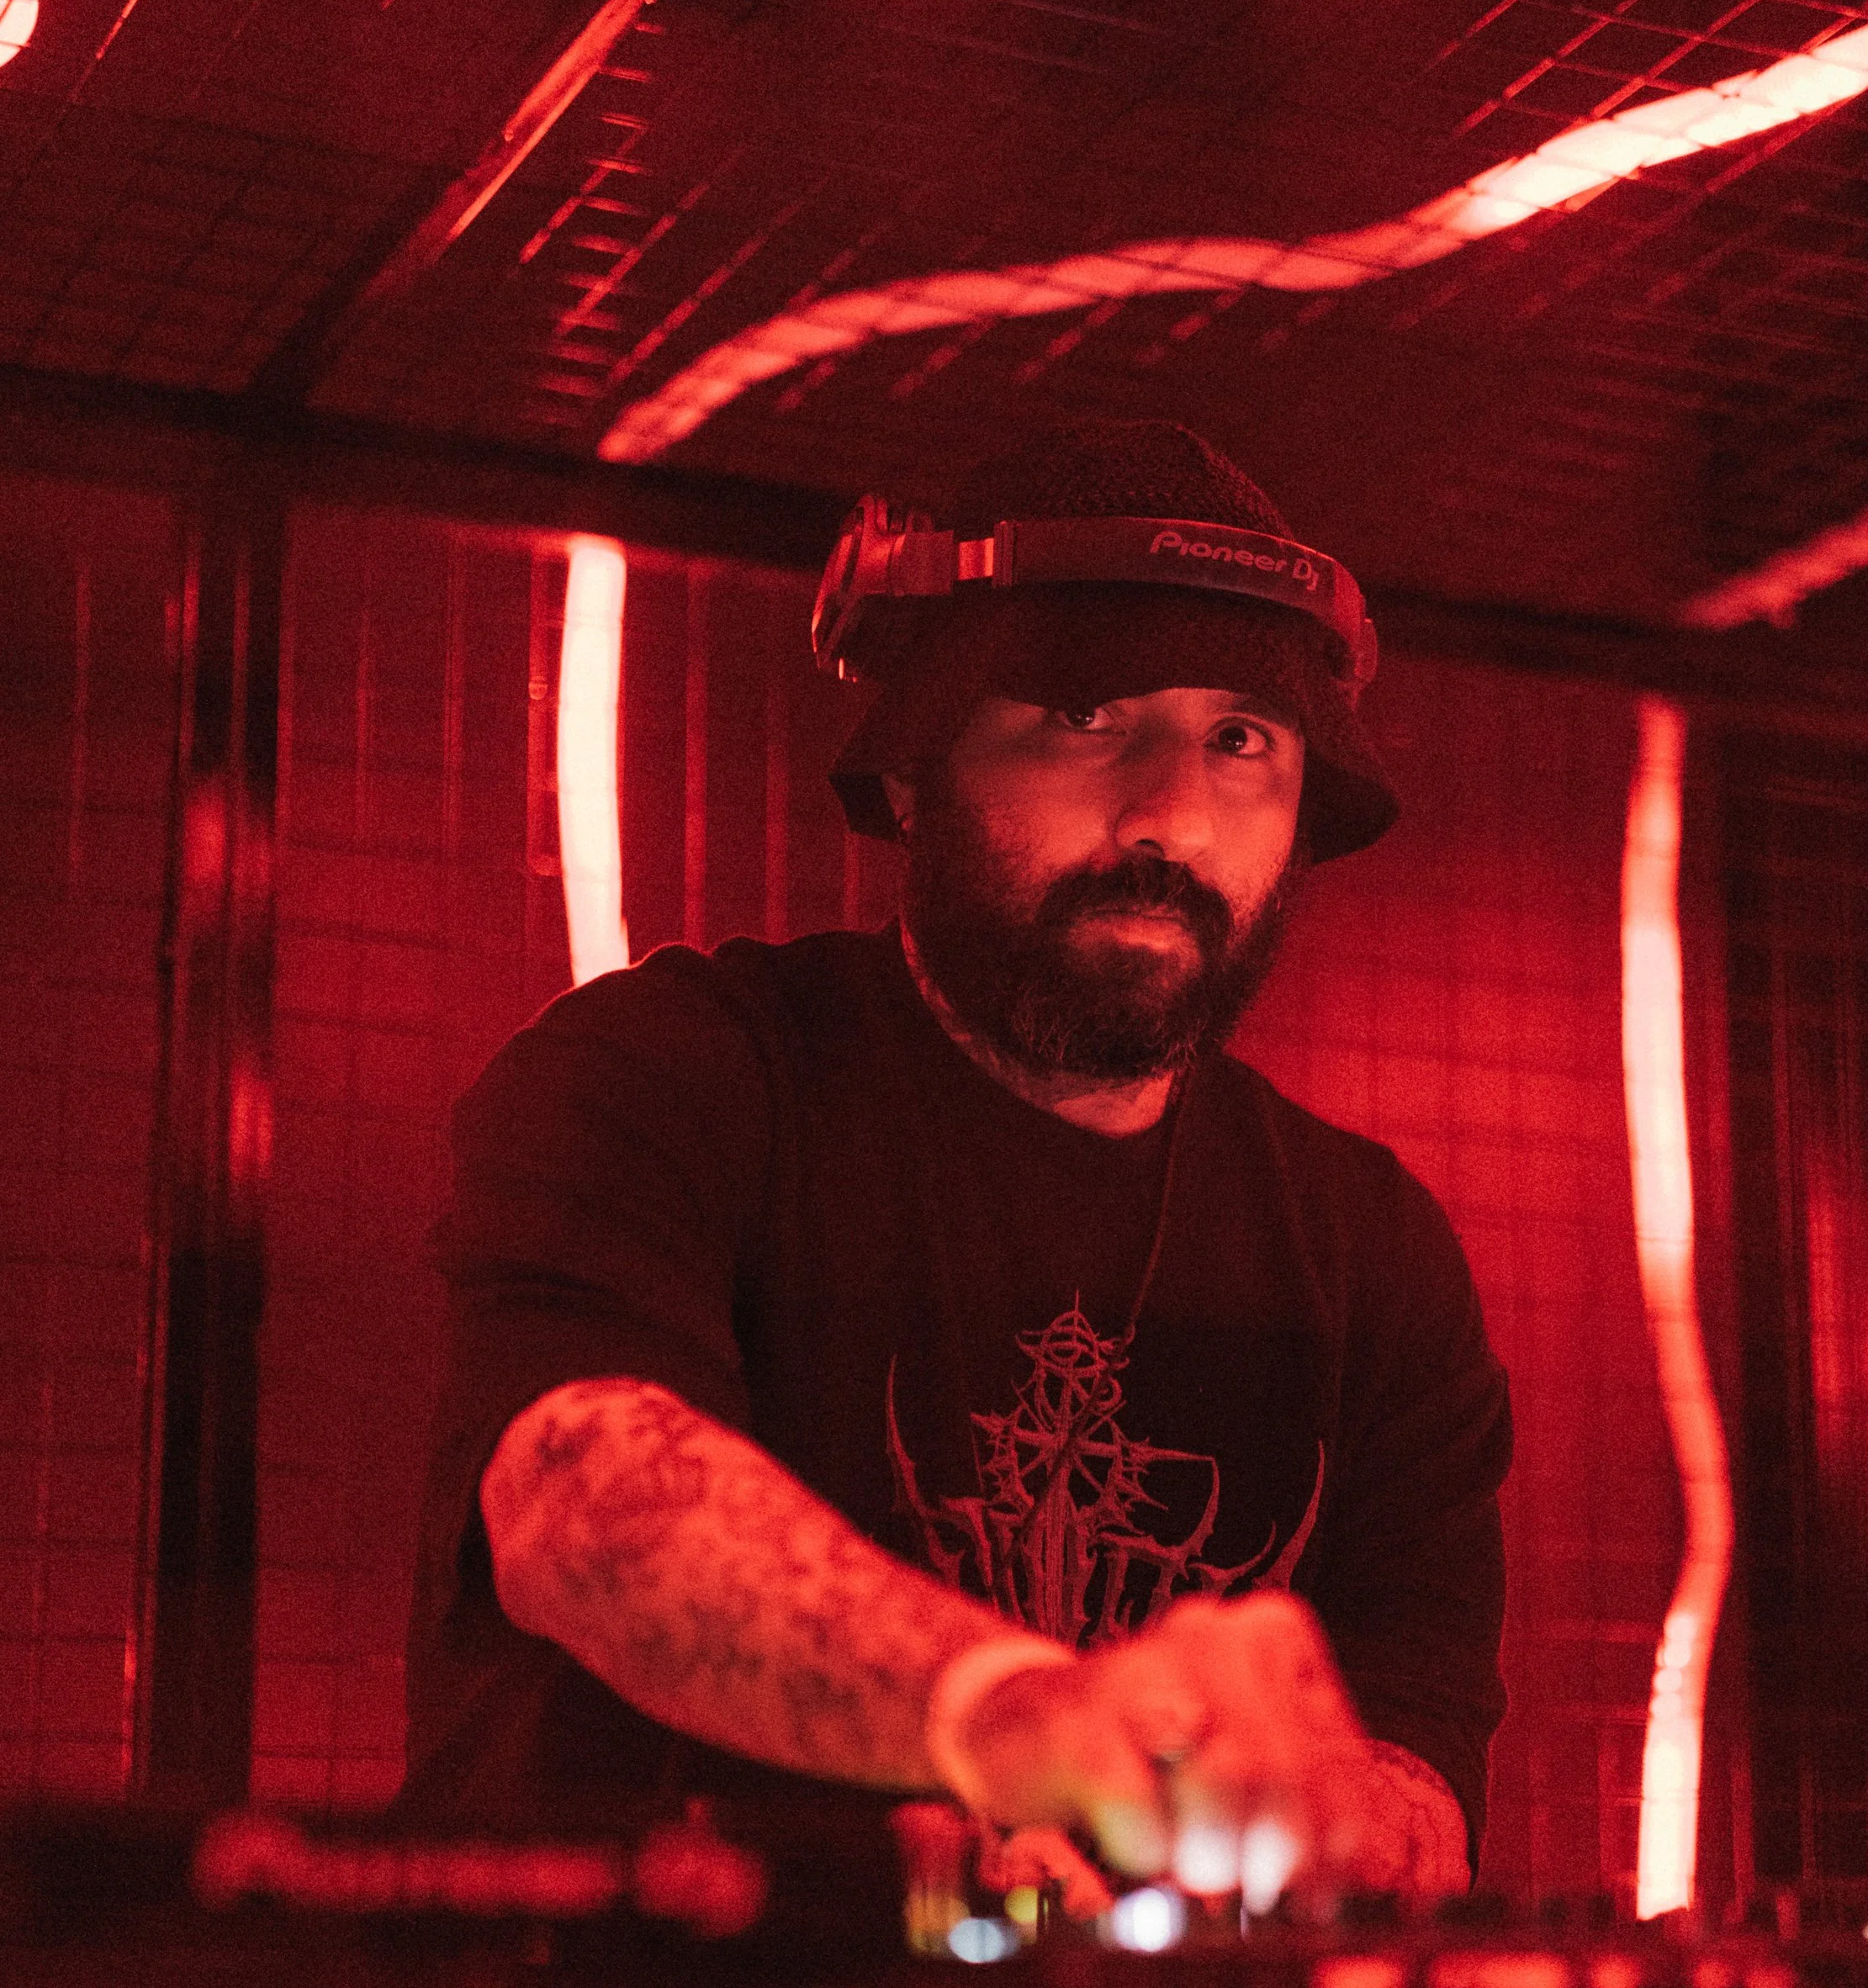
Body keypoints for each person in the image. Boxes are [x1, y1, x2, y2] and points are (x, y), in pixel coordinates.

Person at [404, 424, 1511, 1913]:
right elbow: (584, 1502)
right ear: (918, 772)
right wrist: (1020, 1717)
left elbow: (1413, 1754)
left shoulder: (1375, 1253)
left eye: (1241, 739)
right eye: (1082, 714)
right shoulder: (669, 1075)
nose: (1171, 818)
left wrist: (1351, 1819)